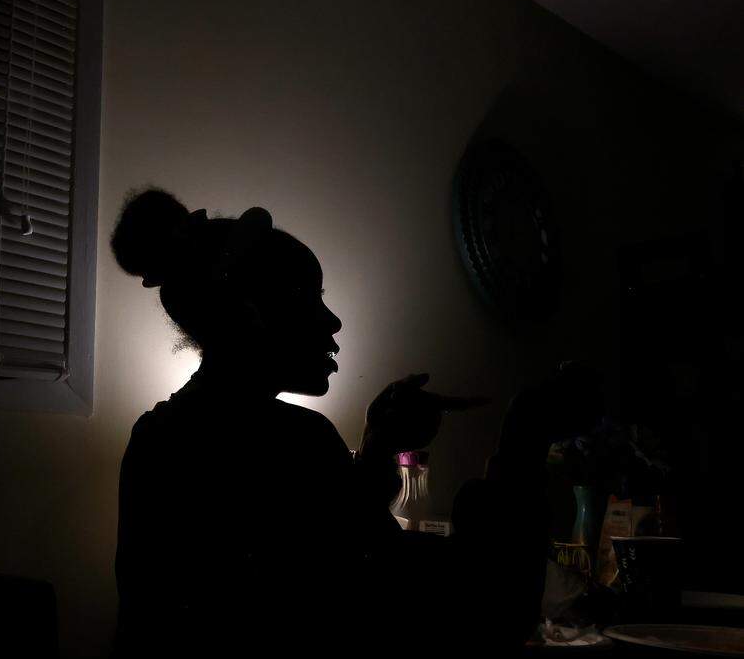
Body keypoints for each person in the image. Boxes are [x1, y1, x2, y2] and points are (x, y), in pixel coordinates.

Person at [110, 188, 599, 657]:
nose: (332, 322)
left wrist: (379, 445)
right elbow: (474, 611)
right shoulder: (294, 444)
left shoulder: (157, 437)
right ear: (252, 311)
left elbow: (327, 561)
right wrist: (523, 441)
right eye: (309, 297)